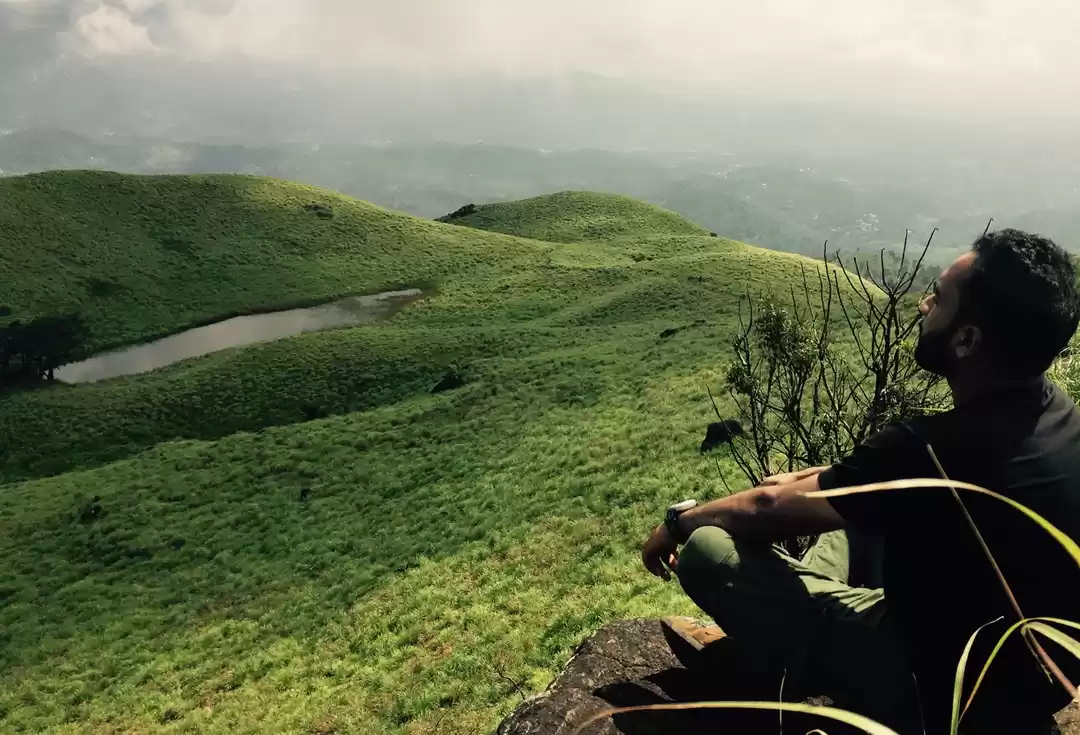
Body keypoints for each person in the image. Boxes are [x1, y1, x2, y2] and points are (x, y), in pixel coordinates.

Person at [642, 229, 1080, 734]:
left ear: (967, 339)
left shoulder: (928, 449)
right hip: (1025, 678)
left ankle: (773, 658)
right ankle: (785, 632)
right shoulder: (1059, 416)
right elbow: (872, 482)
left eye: (937, 297)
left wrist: (677, 522)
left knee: (707, 550)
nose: (923, 305)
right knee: (852, 512)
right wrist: (810, 482)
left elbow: (764, 507)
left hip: (928, 681)